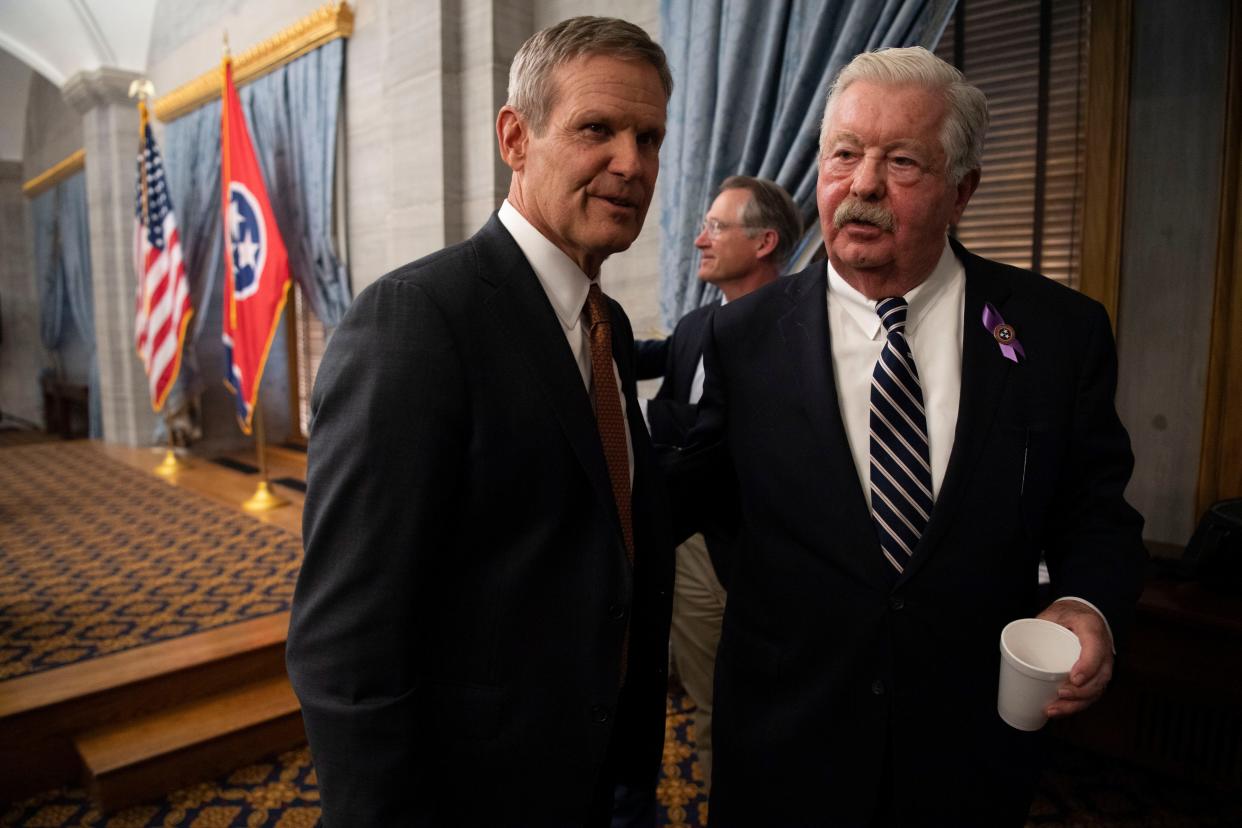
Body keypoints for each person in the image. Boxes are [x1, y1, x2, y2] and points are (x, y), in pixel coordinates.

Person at [684, 47, 1147, 826]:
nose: (862, 184)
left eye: (901, 161)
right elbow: (698, 507)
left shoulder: (1057, 332)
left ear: (962, 190)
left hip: (969, 754)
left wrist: (1085, 604)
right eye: (843, 154)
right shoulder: (737, 338)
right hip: (786, 746)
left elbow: (1096, 509)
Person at [286, 17, 676, 826]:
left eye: (649, 137)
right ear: (515, 137)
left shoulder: (607, 325)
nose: (631, 164)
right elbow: (346, 643)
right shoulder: (417, 321)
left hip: (598, 777)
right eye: (597, 129)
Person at [643, 176, 801, 793]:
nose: (699, 240)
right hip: (694, 550)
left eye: (715, 227)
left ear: (763, 242)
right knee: (711, 702)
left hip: (777, 557)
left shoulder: (806, 331)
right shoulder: (693, 327)